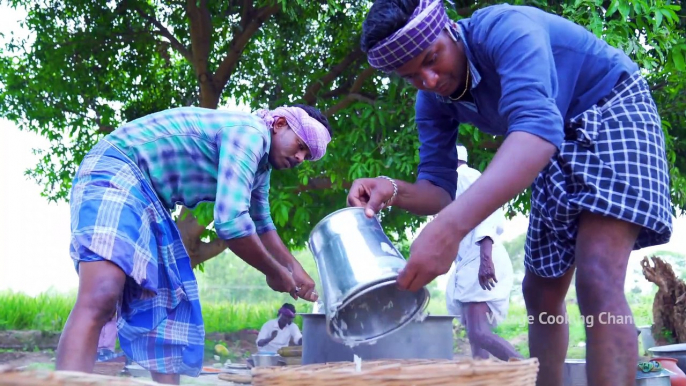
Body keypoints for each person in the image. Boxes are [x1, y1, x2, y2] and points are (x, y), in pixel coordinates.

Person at [348, 1, 672, 385]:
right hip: (551, 138)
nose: (429, 80)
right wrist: (393, 189)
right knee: (540, 292)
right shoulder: (433, 101)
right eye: (412, 76)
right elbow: (438, 191)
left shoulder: (505, 29)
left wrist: (450, 229)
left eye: (432, 59)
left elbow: (536, 127)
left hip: (611, 109)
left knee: (597, 276)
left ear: (449, 29)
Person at [56, 104, 331, 384]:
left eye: (307, 155)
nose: (300, 157)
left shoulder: (261, 170)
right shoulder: (250, 133)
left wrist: (295, 270)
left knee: (166, 311)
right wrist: (274, 272)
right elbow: (232, 223)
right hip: (118, 168)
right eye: (300, 145)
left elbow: (263, 226)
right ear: (279, 123)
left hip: (152, 200)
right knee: (103, 292)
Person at [445, 145, 520, 361]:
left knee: (479, 332)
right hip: (474, 258)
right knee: (475, 336)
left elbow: (488, 210)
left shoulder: (464, 176)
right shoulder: (453, 183)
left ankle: (530, 373)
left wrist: (485, 258)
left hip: (482, 256)